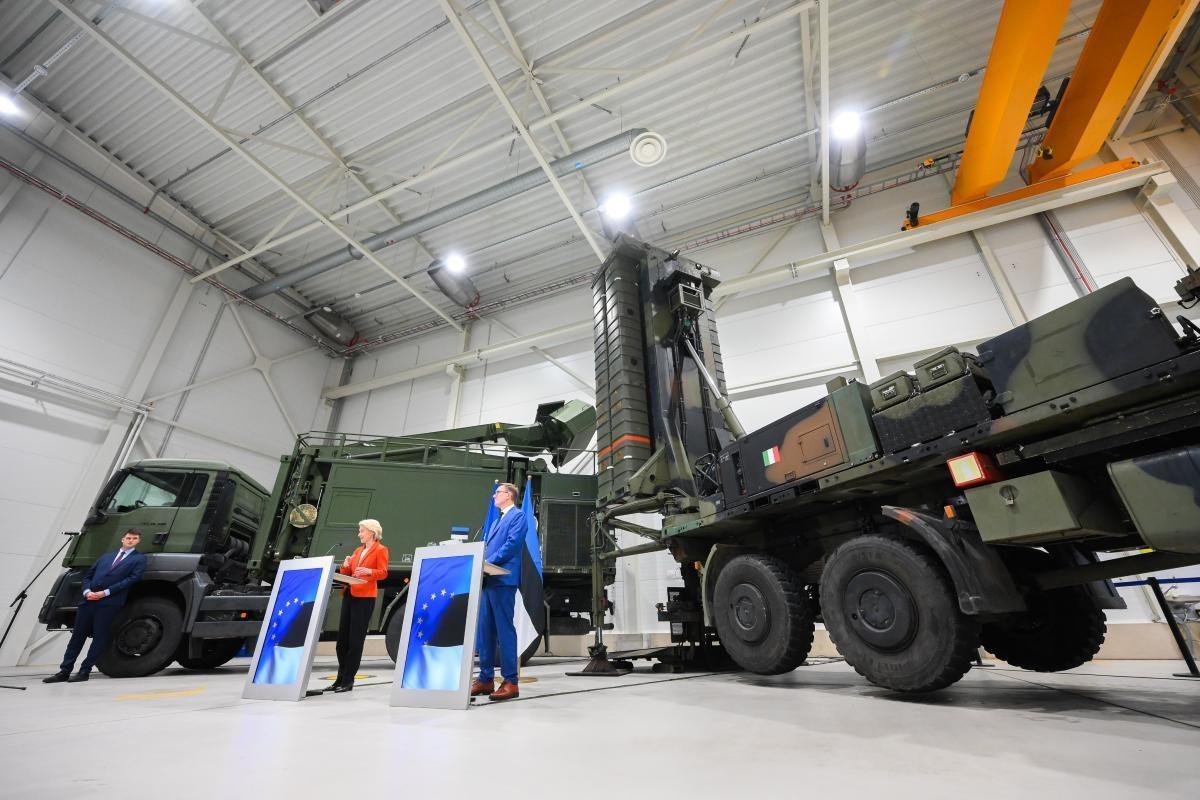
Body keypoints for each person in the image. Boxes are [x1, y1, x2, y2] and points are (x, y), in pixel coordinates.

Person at [44, 529, 147, 683]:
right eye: (128, 538)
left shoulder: (139, 559)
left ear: (138, 541)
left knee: (99, 637)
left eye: (134, 538)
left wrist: (105, 592)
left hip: (109, 603)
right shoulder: (106, 556)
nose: (130, 540)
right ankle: (64, 671)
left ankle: (84, 671)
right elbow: (88, 575)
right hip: (88, 601)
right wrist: (86, 591)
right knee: (77, 637)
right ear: (122, 539)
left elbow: (133, 579)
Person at [471, 483, 526, 702]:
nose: (494, 495)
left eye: (498, 493)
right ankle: (485, 678)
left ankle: (511, 681)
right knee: (485, 632)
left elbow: (512, 545)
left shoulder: (518, 517)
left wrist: (488, 561)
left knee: (504, 631)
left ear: (509, 496)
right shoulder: (495, 521)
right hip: (488, 580)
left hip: (503, 579)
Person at [327, 519, 389, 693]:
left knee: (355, 641)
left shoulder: (381, 550)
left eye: (362, 530)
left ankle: (348, 681)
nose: (359, 533)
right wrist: (345, 566)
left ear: (372, 532)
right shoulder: (357, 550)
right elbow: (347, 573)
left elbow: (383, 573)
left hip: (365, 598)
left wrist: (369, 571)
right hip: (349, 595)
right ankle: (339, 679)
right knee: (342, 642)